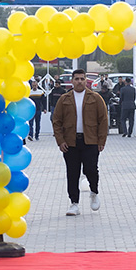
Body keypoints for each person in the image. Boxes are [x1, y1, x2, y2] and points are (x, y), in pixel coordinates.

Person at [52, 69, 108, 216]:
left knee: (91, 169)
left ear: (86, 81)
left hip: (90, 141)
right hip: (70, 142)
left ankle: (94, 192)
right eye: (76, 79)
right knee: (72, 173)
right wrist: (60, 141)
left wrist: (101, 140)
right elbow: (56, 121)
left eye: (82, 79)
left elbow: (103, 120)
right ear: (72, 81)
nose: (79, 82)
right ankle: (74, 203)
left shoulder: (95, 98)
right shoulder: (64, 99)